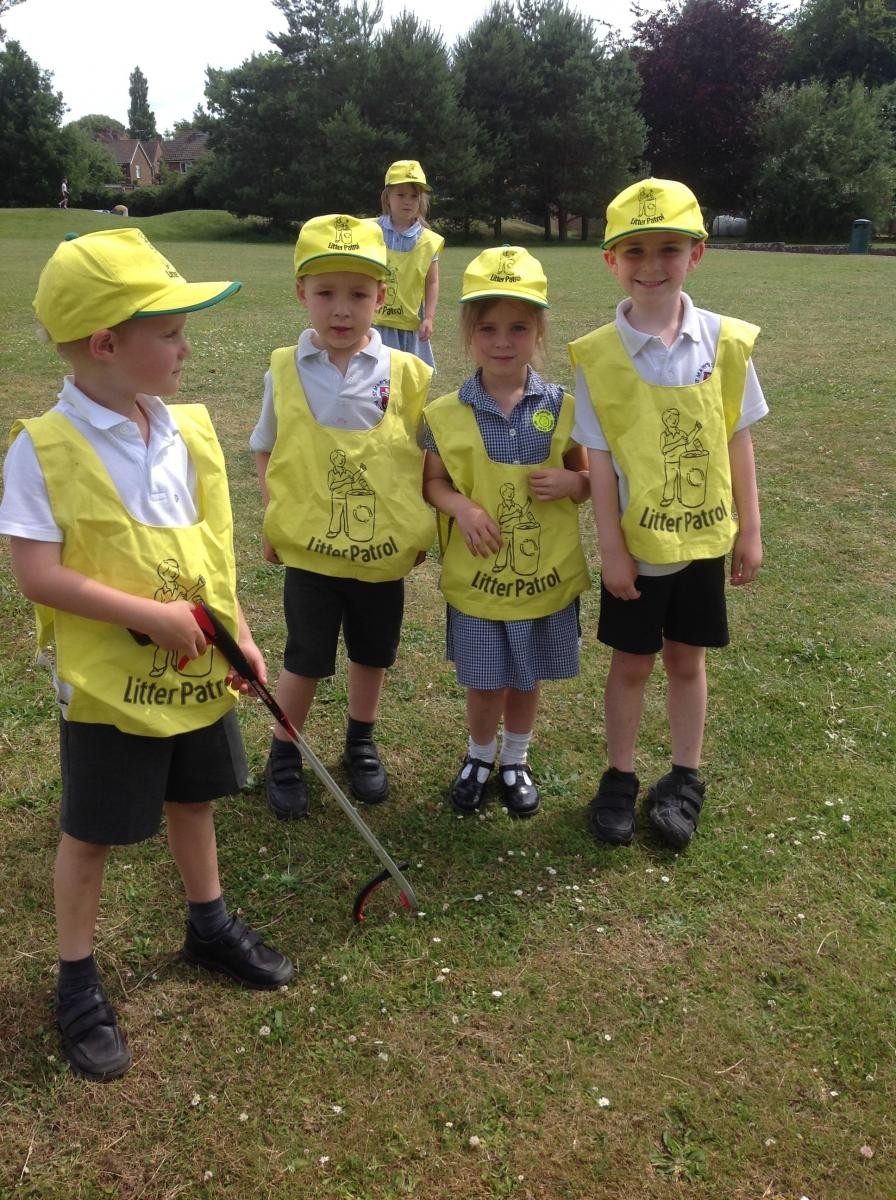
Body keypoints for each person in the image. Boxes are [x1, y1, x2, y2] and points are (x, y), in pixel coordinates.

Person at [0, 228, 294, 1082]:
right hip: (110, 688)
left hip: (196, 674)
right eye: (169, 331)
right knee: (90, 835)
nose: (185, 347)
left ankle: (208, 923)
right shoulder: (44, 448)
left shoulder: (187, 432)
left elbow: (212, 552)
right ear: (105, 344)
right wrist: (146, 615)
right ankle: (77, 982)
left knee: (195, 799)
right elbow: (36, 574)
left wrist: (236, 628)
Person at [569, 177, 767, 850]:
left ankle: (684, 779)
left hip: (706, 542)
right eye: (635, 252)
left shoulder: (723, 342)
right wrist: (612, 551)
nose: (651, 267)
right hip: (639, 549)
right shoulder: (596, 356)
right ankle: (620, 777)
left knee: (687, 660)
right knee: (631, 663)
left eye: (669, 249)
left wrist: (751, 531)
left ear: (697, 254)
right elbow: (595, 463)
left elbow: (737, 440)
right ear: (611, 261)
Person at [251, 214, 434, 820]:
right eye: (325, 292)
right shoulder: (286, 368)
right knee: (304, 656)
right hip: (309, 551)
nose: (341, 309)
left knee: (371, 653)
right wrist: (274, 516)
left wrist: (418, 526)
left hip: (381, 554)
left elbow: (420, 456)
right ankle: (285, 750)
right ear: (301, 293)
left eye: (358, 294)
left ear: (382, 297)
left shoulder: (405, 374)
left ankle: (361, 740)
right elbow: (267, 449)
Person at [423, 247, 590, 818]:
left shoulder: (562, 407)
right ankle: (478, 754)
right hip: (479, 582)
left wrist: (572, 484)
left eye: (518, 327)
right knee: (486, 680)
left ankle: (515, 758)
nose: (502, 341)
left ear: (539, 331)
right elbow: (434, 484)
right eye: (488, 328)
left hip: (542, 579)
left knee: (528, 677)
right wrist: (462, 509)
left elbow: (589, 478)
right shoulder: (446, 412)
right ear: (469, 334)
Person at [372, 159, 444, 369]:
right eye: (401, 195)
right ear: (387, 197)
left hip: (409, 326)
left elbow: (432, 282)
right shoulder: (370, 230)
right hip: (374, 322)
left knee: (408, 376)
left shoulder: (428, 240)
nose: (408, 201)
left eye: (414, 196)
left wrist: (428, 318)